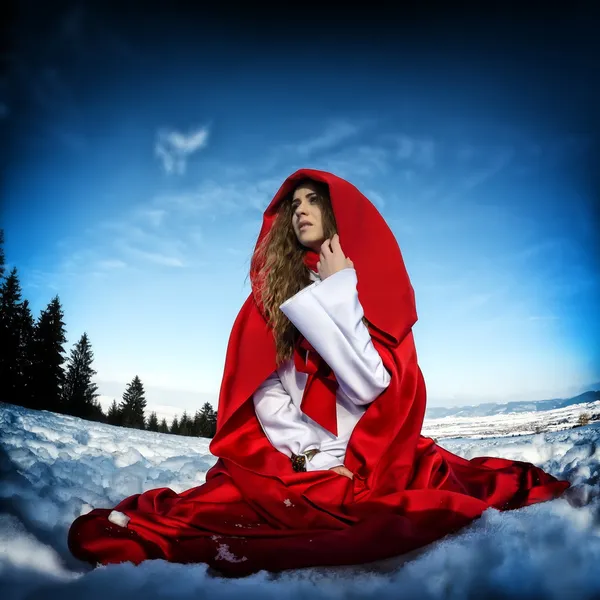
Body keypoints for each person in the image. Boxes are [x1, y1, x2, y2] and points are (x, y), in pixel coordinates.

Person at [68, 169, 570, 577]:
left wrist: (339, 294)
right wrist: (309, 459)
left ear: (338, 212)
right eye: (295, 204)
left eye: (313, 200)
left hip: (371, 455)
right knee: (212, 513)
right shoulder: (268, 299)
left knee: (415, 501)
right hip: (298, 458)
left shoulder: (366, 289)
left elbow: (371, 384)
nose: (302, 209)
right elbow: (265, 395)